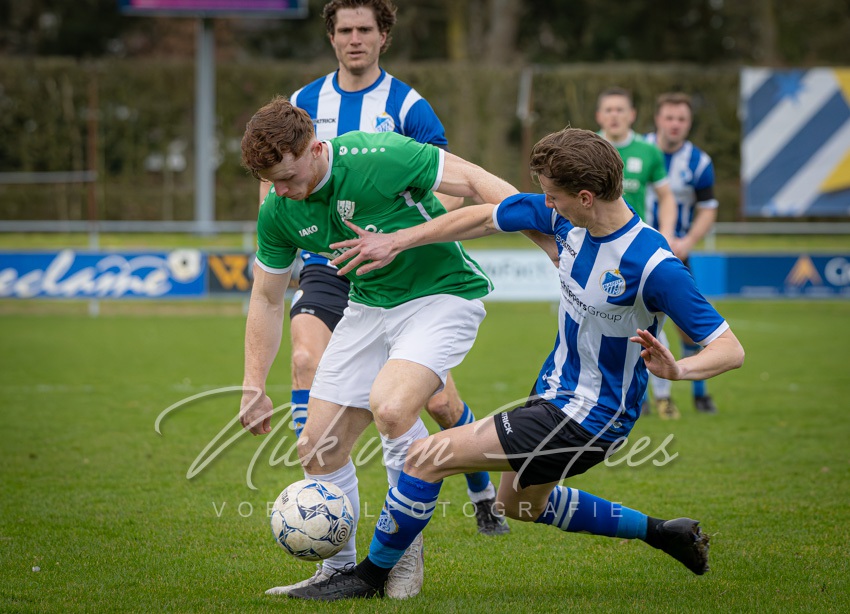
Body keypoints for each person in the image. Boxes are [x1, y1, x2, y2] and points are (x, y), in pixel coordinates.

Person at [285, 127, 745, 601]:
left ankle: (368, 578)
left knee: (426, 459)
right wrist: (399, 240)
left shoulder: (653, 265)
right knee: (519, 504)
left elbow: (729, 348)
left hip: (591, 416)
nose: (545, 204)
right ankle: (665, 532)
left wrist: (679, 370)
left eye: (552, 196)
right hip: (554, 394)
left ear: (586, 197)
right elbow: (485, 217)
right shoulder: (567, 221)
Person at [239, 96, 524, 599]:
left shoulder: (379, 154)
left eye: (286, 177)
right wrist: (253, 384)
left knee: (392, 408)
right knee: (316, 447)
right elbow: (265, 298)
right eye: (270, 182)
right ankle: (338, 571)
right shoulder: (278, 211)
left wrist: (551, 232)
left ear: (315, 148)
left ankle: (402, 550)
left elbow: (475, 180)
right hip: (368, 308)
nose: (280, 191)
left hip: (442, 295)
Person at [270, 0, 509, 550]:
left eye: (365, 29)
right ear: (331, 37)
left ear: (383, 37)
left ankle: (475, 489)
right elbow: (277, 183)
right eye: (345, 30)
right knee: (305, 358)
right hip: (330, 264)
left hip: (407, 267)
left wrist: (408, 240)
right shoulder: (303, 103)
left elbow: (448, 184)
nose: (354, 39)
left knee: (436, 403)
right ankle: (320, 488)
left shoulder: (407, 106)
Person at [596, 86, 680, 419]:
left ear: (631, 115)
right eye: (608, 110)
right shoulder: (588, 148)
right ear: (599, 116)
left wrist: (668, 233)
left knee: (649, 326)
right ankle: (615, 396)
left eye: (620, 109)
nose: (614, 115)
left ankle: (663, 397)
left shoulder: (648, 152)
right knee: (600, 325)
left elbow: (667, 196)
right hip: (597, 251)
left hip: (636, 253)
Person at [644, 92, 722, 416]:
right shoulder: (637, 150)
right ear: (657, 119)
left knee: (688, 325)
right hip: (633, 250)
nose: (674, 124)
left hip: (675, 252)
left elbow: (708, 208)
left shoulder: (699, 162)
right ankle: (641, 399)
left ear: (689, 124)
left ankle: (699, 394)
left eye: (681, 119)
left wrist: (688, 240)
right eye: (669, 117)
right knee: (629, 323)